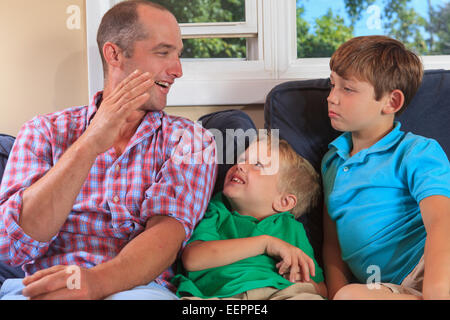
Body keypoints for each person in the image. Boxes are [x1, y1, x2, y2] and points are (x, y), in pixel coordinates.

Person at [0, 0, 217, 300]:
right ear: (114, 54)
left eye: (178, 54)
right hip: (44, 286)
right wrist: (89, 145)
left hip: (139, 291)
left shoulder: (190, 140)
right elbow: (13, 246)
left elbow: (167, 236)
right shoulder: (43, 132)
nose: (177, 70)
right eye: (163, 52)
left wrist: (95, 283)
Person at [321, 35, 450, 300]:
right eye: (332, 85)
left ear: (391, 102)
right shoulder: (331, 161)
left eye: (347, 89)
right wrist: (335, 294)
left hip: (436, 266)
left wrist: (437, 291)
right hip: (391, 288)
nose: (331, 98)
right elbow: (332, 244)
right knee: (348, 296)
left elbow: (442, 222)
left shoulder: (416, 151)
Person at [172, 135, 327, 300]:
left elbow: (322, 289)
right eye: (241, 159)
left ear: (284, 201)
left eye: (257, 164)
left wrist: (301, 279)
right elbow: (193, 260)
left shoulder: (291, 228)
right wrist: (265, 244)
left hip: (280, 292)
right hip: (224, 295)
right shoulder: (218, 211)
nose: (240, 166)